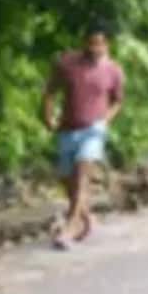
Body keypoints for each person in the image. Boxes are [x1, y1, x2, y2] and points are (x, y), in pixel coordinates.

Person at [41, 23, 125, 249]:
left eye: (99, 43)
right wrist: (48, 115)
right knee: (68, 180)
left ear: (107, 44)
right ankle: (84, 217)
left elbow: (117, 100)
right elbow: (49, 91)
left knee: (81, 175)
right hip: (68, 128)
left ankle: (69, 228)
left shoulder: (113, 70)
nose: (94, 48)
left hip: (93, 130)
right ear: (83, 42)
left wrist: (106, 118)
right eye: (91, 43)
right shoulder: (67, 63)